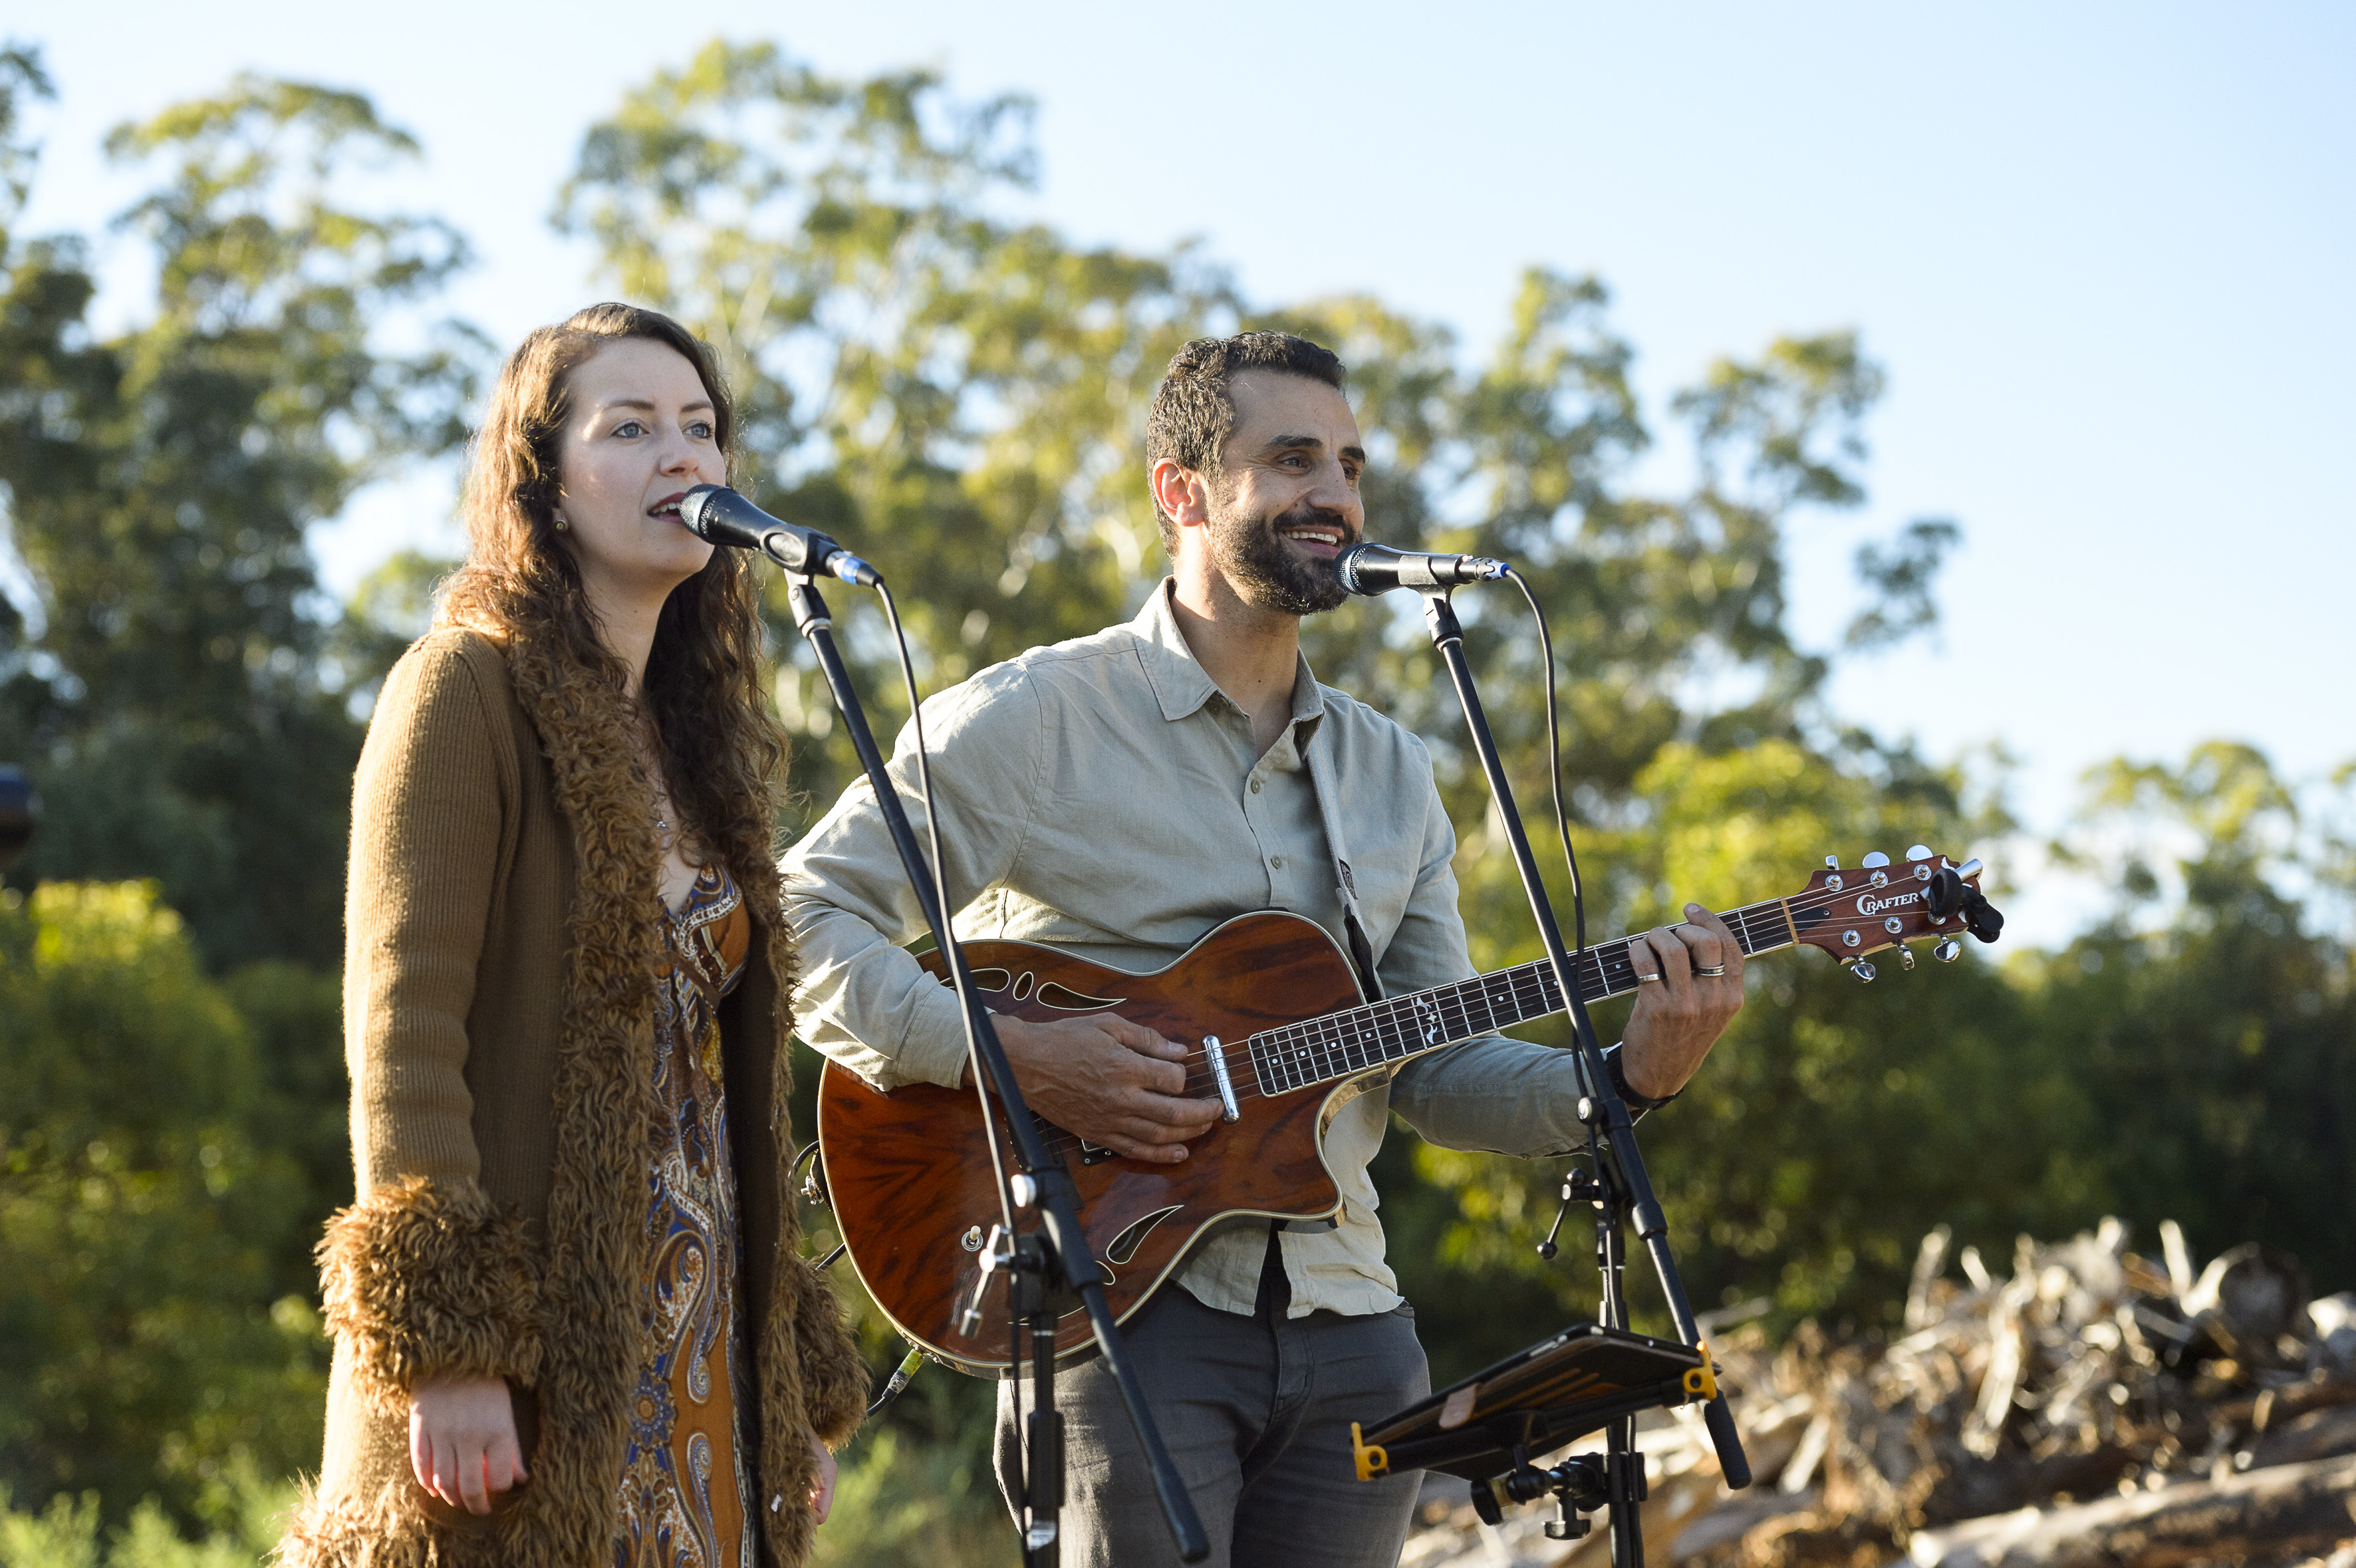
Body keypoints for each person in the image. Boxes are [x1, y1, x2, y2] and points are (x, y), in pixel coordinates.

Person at [781, 331, 1746, 1568]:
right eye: (1293, 459)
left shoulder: (1391, 773)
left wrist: (1627, 1075)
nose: (1335, 494)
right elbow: (799, 913)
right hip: (1119, 1313)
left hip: (1355, 1324)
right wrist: (1014, 1056)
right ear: (1181, 492)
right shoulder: (1036, 719)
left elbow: (1434, 1062)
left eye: (1349, 465)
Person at [283, 304, 866, 1568]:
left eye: (701, 427)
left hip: (702, 1364)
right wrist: (449, 1349)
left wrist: (782, 1378)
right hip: (535, 1362)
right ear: (542, 481)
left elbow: (730, 1099)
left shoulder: (700, 749)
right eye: (632, 428)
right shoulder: (462, 688)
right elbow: (404, 1037)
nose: (684, 455)